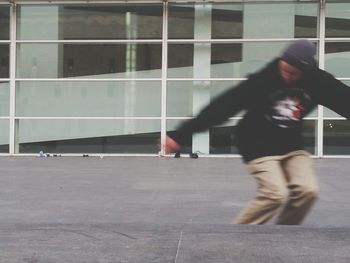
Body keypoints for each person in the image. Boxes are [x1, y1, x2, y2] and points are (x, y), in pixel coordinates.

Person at [161, 39, 350, 225]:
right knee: (275, 194)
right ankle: (236, 237)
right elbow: (224, 106)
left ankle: (286, 234)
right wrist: (181, 135)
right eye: (283, 69)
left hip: (292, 145)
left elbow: (345, 100)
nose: (286, 76)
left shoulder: (319, 81)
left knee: (308, 191)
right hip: (256, 143)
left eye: (292, 74)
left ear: (306, 71)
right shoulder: (264, 79)